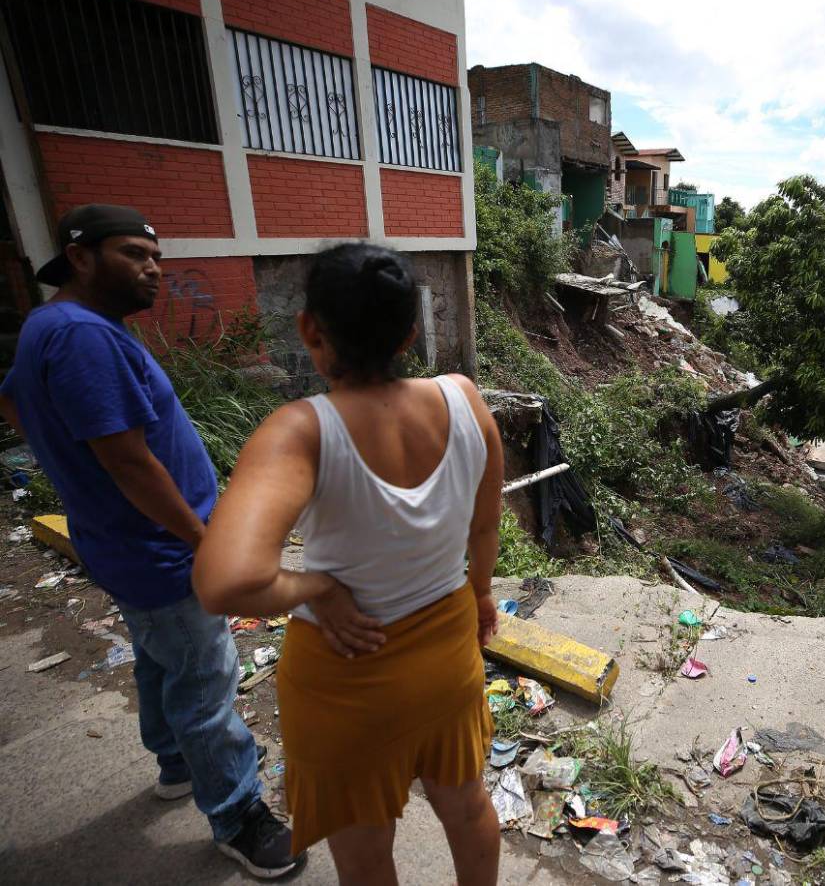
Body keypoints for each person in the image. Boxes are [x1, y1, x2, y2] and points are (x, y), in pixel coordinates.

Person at [0, 205, 303, 878]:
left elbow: (14, 400)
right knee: (206, 682)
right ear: (81, 257)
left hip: (122, 544)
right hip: (162, 550)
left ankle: (173, 764)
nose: (154, 268)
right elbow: (129, 460)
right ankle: (237, 815)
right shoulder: (82, 336)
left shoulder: (50, 325)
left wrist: (70, 473)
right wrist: (206, 540)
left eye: (156, 256)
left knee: (160, 654)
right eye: (135, 253)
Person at [193, 243, 505, 886]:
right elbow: (483, 523)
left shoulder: (299, 430)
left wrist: (318, 588)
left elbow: (225, 581)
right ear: (411, 332)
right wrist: (479, 597)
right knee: (468, 804)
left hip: (346, 673)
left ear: (310, 328)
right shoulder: (465, 399)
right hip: (448, 653)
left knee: (365, 852)